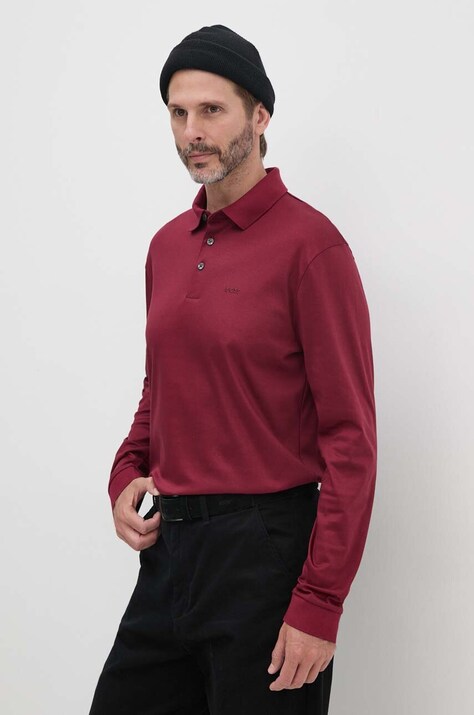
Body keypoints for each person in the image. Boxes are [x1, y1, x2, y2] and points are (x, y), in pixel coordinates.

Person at [88, 24, 377, 715]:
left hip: (265, 557)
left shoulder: (312, 247)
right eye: (178, 112)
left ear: (260, 116)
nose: (192, 131)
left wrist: (320, 602)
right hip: (169, 557)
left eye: (212, 110)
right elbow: (161, 388)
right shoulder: (166, 246)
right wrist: (126, 473)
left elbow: (350, 440)